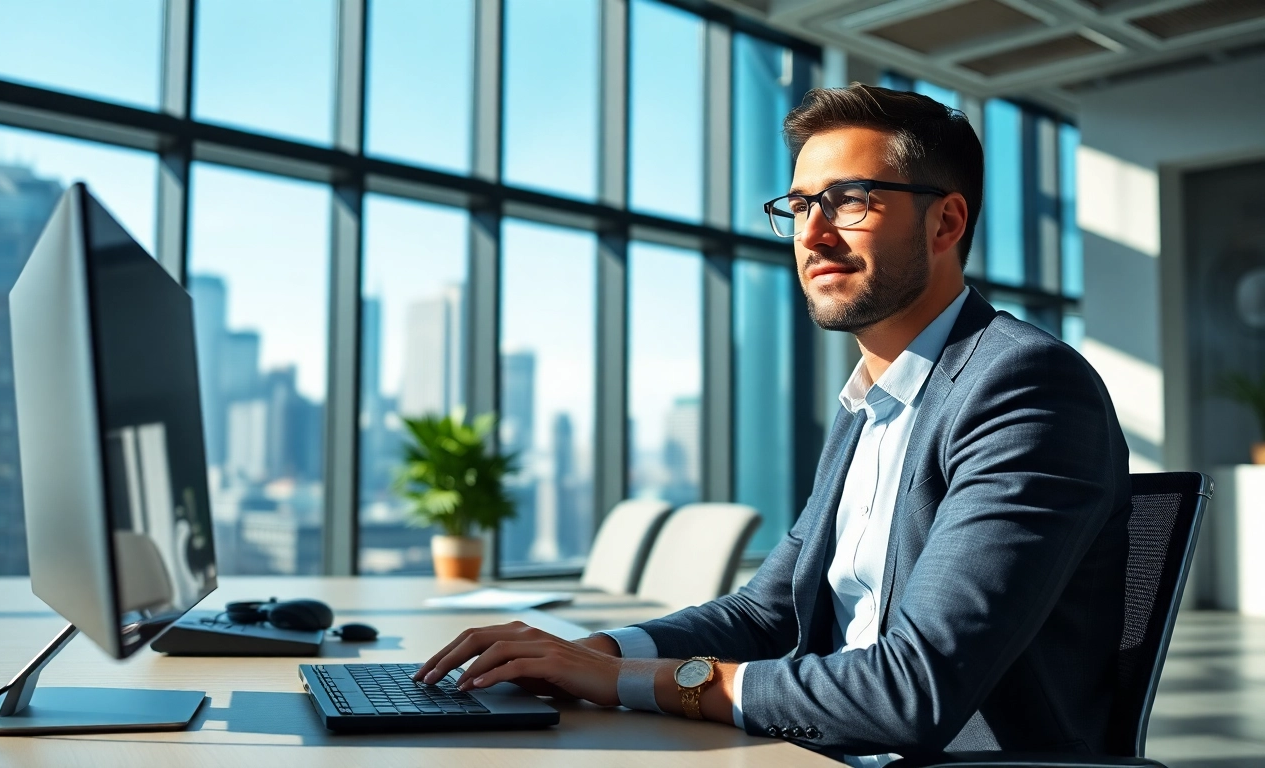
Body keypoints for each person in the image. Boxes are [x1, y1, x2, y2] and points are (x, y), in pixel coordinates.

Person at [414, 84, 1130, 765]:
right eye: (799, 204)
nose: (813, 234)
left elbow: (914, 689)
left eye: (850, 201)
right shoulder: (871, 405)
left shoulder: (1022, 385)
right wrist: (598, 653)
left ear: (945, 221)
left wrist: (641, 683)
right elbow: (770, 611)